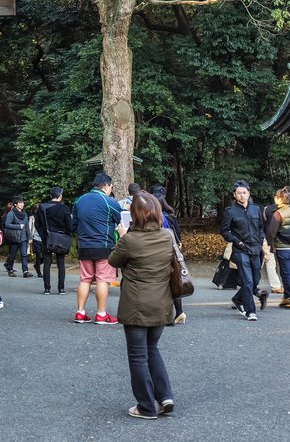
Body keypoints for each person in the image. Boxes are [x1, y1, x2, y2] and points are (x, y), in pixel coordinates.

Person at [107, 191, 176, 420]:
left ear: (134, 215)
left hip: (136, 304)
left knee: (137, 355)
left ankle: (146, 406)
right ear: (157, 213)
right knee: (152, 349)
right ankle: (165, 396)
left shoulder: (129, 240)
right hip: (162, 302)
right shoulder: (168, 236)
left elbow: (113, 261)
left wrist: (121, 235)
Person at [71, 172, 123, 324]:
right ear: (106, 186)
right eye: (110, 186)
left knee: (85, 279)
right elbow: (120, 221)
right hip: (103, 246)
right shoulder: (109, 202)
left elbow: (74, 225)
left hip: (84, 246)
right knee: (102, 280)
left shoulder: (79, 201)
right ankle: (101, 314)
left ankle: (80, 312)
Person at [221, 180, 267, 320]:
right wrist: (237, 241)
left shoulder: (256, 209)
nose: (242, 195)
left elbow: (260, 227)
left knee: (255, 279)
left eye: (244, 193)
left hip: (256, 249)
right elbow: (224, 231)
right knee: (247, 281)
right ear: (234, 195)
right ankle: (250, 311)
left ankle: (238, 299)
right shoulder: (230, 211)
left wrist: (261, 240)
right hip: (240, 249)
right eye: (239, 193)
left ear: (249, 193)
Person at [152, 186, 186, 325]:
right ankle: (179, 312)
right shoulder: (171, 217)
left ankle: (167, 315)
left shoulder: (153, 218)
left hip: (157, 253)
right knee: (173, 281)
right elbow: (178, 235)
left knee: (161, 284)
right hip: (171, 253)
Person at [36, 187, 73, 295]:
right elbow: (69, 226)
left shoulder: (42, 207)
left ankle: (47, 288)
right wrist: (66, 235)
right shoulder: (64, 208)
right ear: (60, 196)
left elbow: (37, 224)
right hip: (61, 238)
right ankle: (61, 288)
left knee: (47, 263)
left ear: (50, 196)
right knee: (60, 263)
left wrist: (44, 235)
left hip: (47, 238)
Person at [264, 185, 290, 309]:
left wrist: (268, 246)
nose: (275, 199)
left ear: (280, 199)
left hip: (283, 248)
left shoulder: (278, 214)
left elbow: (271, 233)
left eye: (276, 197)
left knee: (286, 275)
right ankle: (287, 297)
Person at [258, 192, 286, 295]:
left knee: (267, 262)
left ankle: (275, 286)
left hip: (266, 239)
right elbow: (271, 230)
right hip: (267, 240)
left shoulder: (270, 209)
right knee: (267, 262)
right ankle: (275, 286)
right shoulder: (273, 211)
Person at [3, 195, 32, 278]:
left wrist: (29, 237)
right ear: (15, 204)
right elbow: (7, 224)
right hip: (14, 238)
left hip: (23, 238)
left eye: (22, 202)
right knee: (12, 255)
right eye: (20, 203)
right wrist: (18, 226)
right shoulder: (11, 213)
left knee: (24, 254)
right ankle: (10, 269)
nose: (22, 204)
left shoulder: (24, 213)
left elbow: (26, 226)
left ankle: (25, 271)